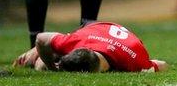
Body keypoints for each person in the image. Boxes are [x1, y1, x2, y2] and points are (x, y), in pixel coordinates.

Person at [13, 22, 168, 73]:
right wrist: (51, 65)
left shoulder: (132, 62)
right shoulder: (76, 42)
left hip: (97, 30)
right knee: (42, 61)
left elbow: (161, 65)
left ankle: (44, 53)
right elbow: (40, 38)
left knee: (40, 65)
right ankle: (37, 52)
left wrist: (47, 64)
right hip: (90, 31)